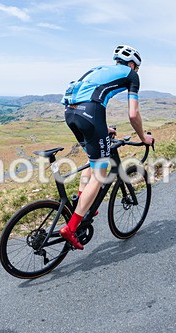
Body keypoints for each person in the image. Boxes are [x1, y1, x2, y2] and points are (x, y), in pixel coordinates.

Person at [58, 45, 155, 250]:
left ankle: (84, 206)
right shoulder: (131, 75)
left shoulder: (99, 70)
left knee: (93, 162)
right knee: (100, 174)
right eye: (136, 68)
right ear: (131, 64)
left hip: (71, 114)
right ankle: (72, 228)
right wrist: (143, 137)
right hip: (90, 115)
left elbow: (86, 100)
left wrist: (104, 129)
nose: (135, 72)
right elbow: (133, 114)